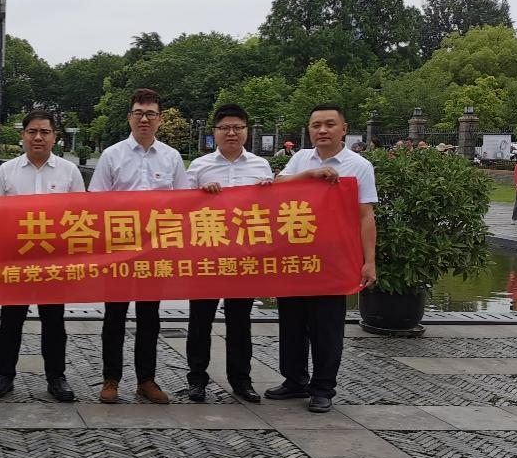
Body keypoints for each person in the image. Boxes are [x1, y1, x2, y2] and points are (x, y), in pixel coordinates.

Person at [265, 104, 377, 413]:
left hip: (333, 260)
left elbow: (366, 215)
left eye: (330, 124)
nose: (322, 130)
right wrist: (310, 175)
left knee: (327, 326)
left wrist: (369, 261)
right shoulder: (300, 158)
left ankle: (323, 387)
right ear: (309, 130)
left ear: (344, 129)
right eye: (316, 125)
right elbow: (276, 187)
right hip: (296, 258)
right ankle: (295, 380)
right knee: (291, 323)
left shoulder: (359, 165)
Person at [89, 88, 190, 404]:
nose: (144, 119)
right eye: (139, 113)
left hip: (155, 250)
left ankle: (146, 379)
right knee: (114, 315)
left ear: (160, 119)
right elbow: (95, 202)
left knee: (150, 315)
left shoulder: (171, 157)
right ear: (129, 117)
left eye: (150, 114)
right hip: (119, 248)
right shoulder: (112, 155)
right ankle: (111, 379)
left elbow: (184, 203)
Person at [0, 110, 85, 403]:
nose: (38, 137)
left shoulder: (69, 172)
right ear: (23, 136)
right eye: (32, 132)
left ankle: (56, 377)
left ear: (55, 137)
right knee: (10, 321)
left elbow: (82, 216)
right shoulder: (7, 171)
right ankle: (4, 375)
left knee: (54, 322)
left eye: (44, 132)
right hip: (16, 260)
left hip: (54, 261)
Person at [184, 104, 274, 405]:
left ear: (247, 131)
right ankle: (197, 380)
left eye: (237, 127)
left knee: (240, 321)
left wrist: (269, 192)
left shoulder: (261, 166)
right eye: (225, 128)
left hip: (244, 257)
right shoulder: (199, 167)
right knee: (200, 320)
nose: (231, 133)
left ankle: (241, 380)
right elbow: (180, 209)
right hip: (207, 255)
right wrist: (200, 195)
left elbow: (272, 211)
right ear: (215, 132)